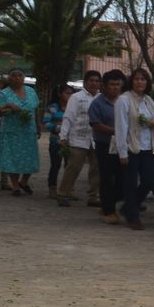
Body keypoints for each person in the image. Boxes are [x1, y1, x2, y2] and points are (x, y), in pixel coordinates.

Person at [113, 67, 154, 229]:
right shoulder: (124, 100)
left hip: (147, 147)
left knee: (149, 182)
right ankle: (133, 217)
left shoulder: (148, 100)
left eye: (143, 79)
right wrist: (122, 152)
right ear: (131, 81)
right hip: (131, 146)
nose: (140, 82)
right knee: (130, 183)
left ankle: (128, 207)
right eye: (137, 79)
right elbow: (121, 127)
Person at [0, 69, 40, 196]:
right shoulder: (4, 94)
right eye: (13, 75)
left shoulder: (31, 91)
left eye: (20, 75)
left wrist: (38, 125)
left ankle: (24, 181)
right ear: (9, 78)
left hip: (28, 130)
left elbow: (36, 109)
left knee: (30, 158)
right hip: (11, 131)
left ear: (24, 78)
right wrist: (8, 106)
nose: (17, 78)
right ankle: (15, 186)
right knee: (13, 158)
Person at [56, 71, 102, 208]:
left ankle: (94, 196)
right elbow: (68, 117)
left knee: (96, 169)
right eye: (91, 80)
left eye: (96, 81)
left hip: (96, 138)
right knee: (73, 167)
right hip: (78, 138)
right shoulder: (76, 97)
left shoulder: (101, 98)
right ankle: (63, 193)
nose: (94, 83)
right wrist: (63, 136)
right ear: (85, 82)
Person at [90, 70, 124, 225]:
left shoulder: (124, 100)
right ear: (104, 86)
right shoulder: (97, 103)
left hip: (123, 144)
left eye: (118, 84)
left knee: (122, 177)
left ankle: (109, 202)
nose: (115, 88)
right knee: (107, 177)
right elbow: (96, 124)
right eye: (112, 84)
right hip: (105, 144)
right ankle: (109, 210)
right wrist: (116, 131)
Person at [43, 84, 72, 192]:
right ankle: (52, 188)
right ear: (60, 94)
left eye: (71, 93)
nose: (69, 96)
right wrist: (60, 128)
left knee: (70, 167)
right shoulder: (52, 108)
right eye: (67, 93)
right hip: (56, 141)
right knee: (55, 165)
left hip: (71, 142)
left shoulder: (73, 107)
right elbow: (46, 123)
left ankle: (68, 189)